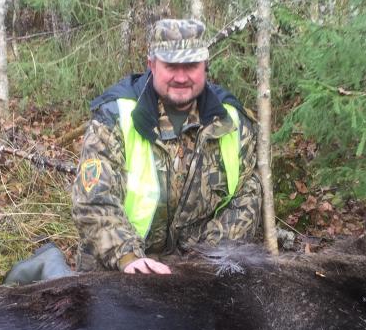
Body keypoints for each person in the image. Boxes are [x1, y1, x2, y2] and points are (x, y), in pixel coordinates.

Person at [71, 18, 262, 274]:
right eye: (171, 66)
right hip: (119, 266)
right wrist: (128, 258)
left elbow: (245, 198)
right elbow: (93, 201)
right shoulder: (116, 115)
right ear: (151, 64)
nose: (181, 77)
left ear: (205, 65)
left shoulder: (232, 120)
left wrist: (201, 267)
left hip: (200, 267)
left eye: (191, 65)